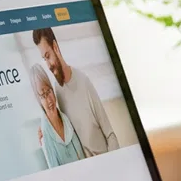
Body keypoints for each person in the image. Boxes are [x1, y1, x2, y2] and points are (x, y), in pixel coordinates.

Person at [33, 27, 120, 156]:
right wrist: (46, 132)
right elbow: (64, 129)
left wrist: (113, 161)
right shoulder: (57, 90)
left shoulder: (83, 82)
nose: (48, 65)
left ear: (55, 47)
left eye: (48, 56)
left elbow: (110, 134)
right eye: (44, 59)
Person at [30, 63, 88, 168]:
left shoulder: (66, 119)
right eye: (43, 96)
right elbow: (56, 172)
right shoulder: (45, 135)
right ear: (39, 101)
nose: (49, 100)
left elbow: (82, 156)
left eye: (49, 91)